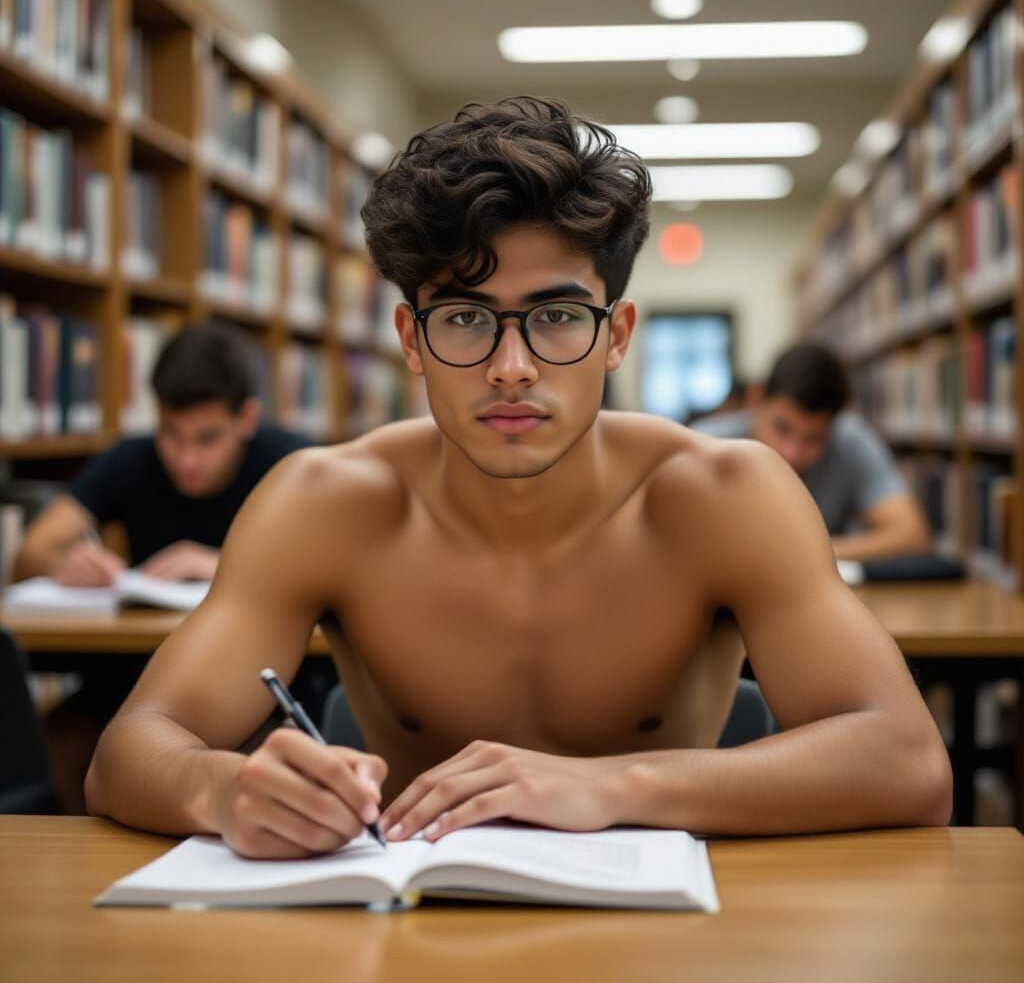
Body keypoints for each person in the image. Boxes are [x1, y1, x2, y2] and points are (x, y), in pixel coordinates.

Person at [86, 97, 951, 858]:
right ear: (411, 338)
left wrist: (612, 788)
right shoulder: (325, 504)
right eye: (465, 317)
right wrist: (223, 790)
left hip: (666, 936)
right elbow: (132, 749)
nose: (511, 367)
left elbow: (908, 762)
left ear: (616, 336)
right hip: (404, 934)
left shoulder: (725, 494)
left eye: (557, 316)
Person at [14, 322, 309, 585]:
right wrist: (62, 565)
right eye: (171, 433)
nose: (186, 460)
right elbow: (32, 550)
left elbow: (340, 565)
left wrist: (227, 568)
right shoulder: (131, 459)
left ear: (247, 419)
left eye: (208, 439)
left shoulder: (293, 465)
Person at [693, 344, 931, 563]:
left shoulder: (850, 440)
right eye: (782, 429)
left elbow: (911, 535)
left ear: (834, 425)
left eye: (813, 439)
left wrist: (800, 555)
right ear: (757, 399)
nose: (792, 453)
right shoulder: (705, 444)